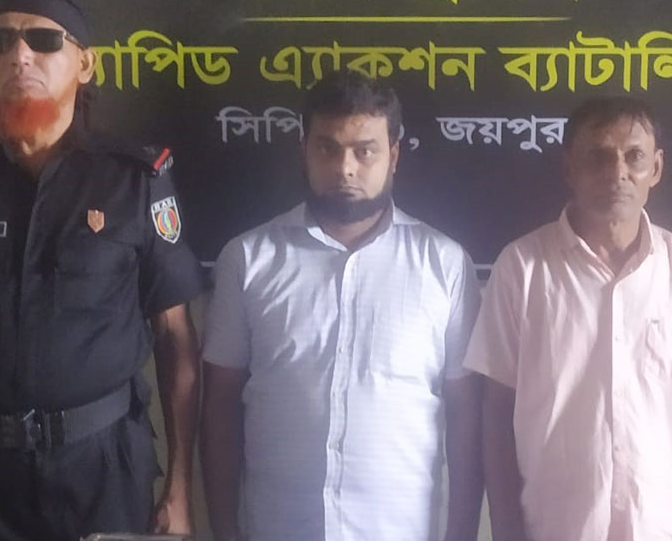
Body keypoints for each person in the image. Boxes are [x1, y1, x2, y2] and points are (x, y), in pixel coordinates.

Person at [0, 0, 204, 541]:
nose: (19, 56)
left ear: (85, 64)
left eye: (44, 40)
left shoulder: (135, 181)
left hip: (103, 472)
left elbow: (176, 337)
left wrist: (179, 489)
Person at [200, 70, 483, 541]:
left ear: (394, 156)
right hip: (278, 529)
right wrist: (225, 529)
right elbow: (220, 407)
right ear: (303, 152)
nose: (345, 168)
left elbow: (467, 418)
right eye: (327, 149)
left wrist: (463, 535)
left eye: (364, 151)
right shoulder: (248, 258)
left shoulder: (445, 265)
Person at [465, 96, 672, 541]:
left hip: (661, 528)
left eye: (634, 156)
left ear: (656, 168)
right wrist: (505, 531)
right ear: (569, 168)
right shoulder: (522, 268)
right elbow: (496, 413)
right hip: (554, 529)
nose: (617, 172)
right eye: (599, 156)